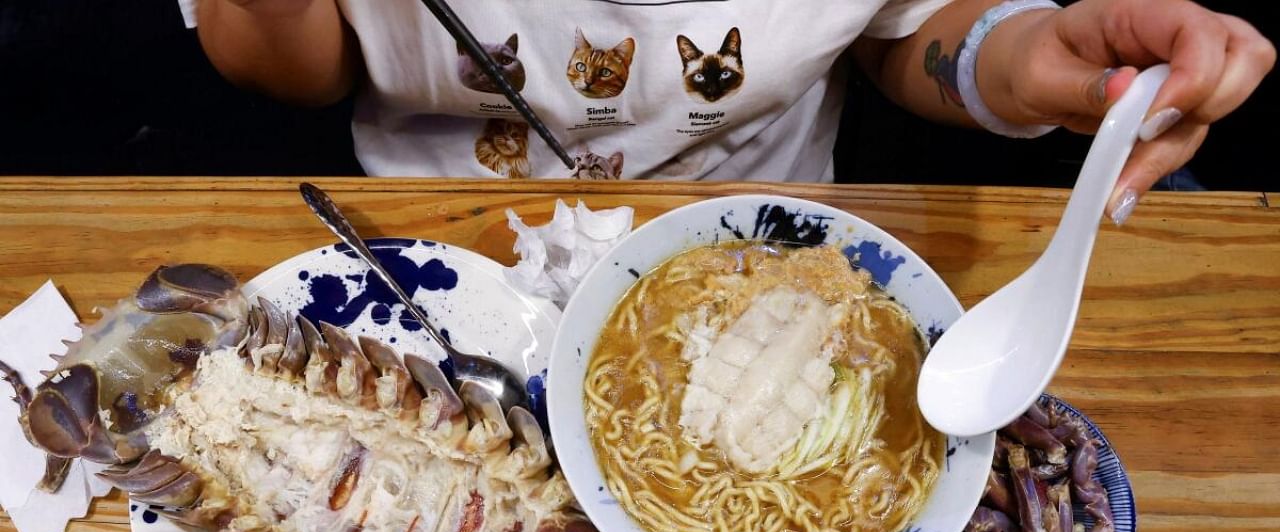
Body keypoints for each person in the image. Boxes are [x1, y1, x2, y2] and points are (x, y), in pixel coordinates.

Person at [183, 0, 1272, 223]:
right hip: (440, 245)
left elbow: (912, 36)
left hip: (765, 240)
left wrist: (1028, 59)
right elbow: (298, 70)